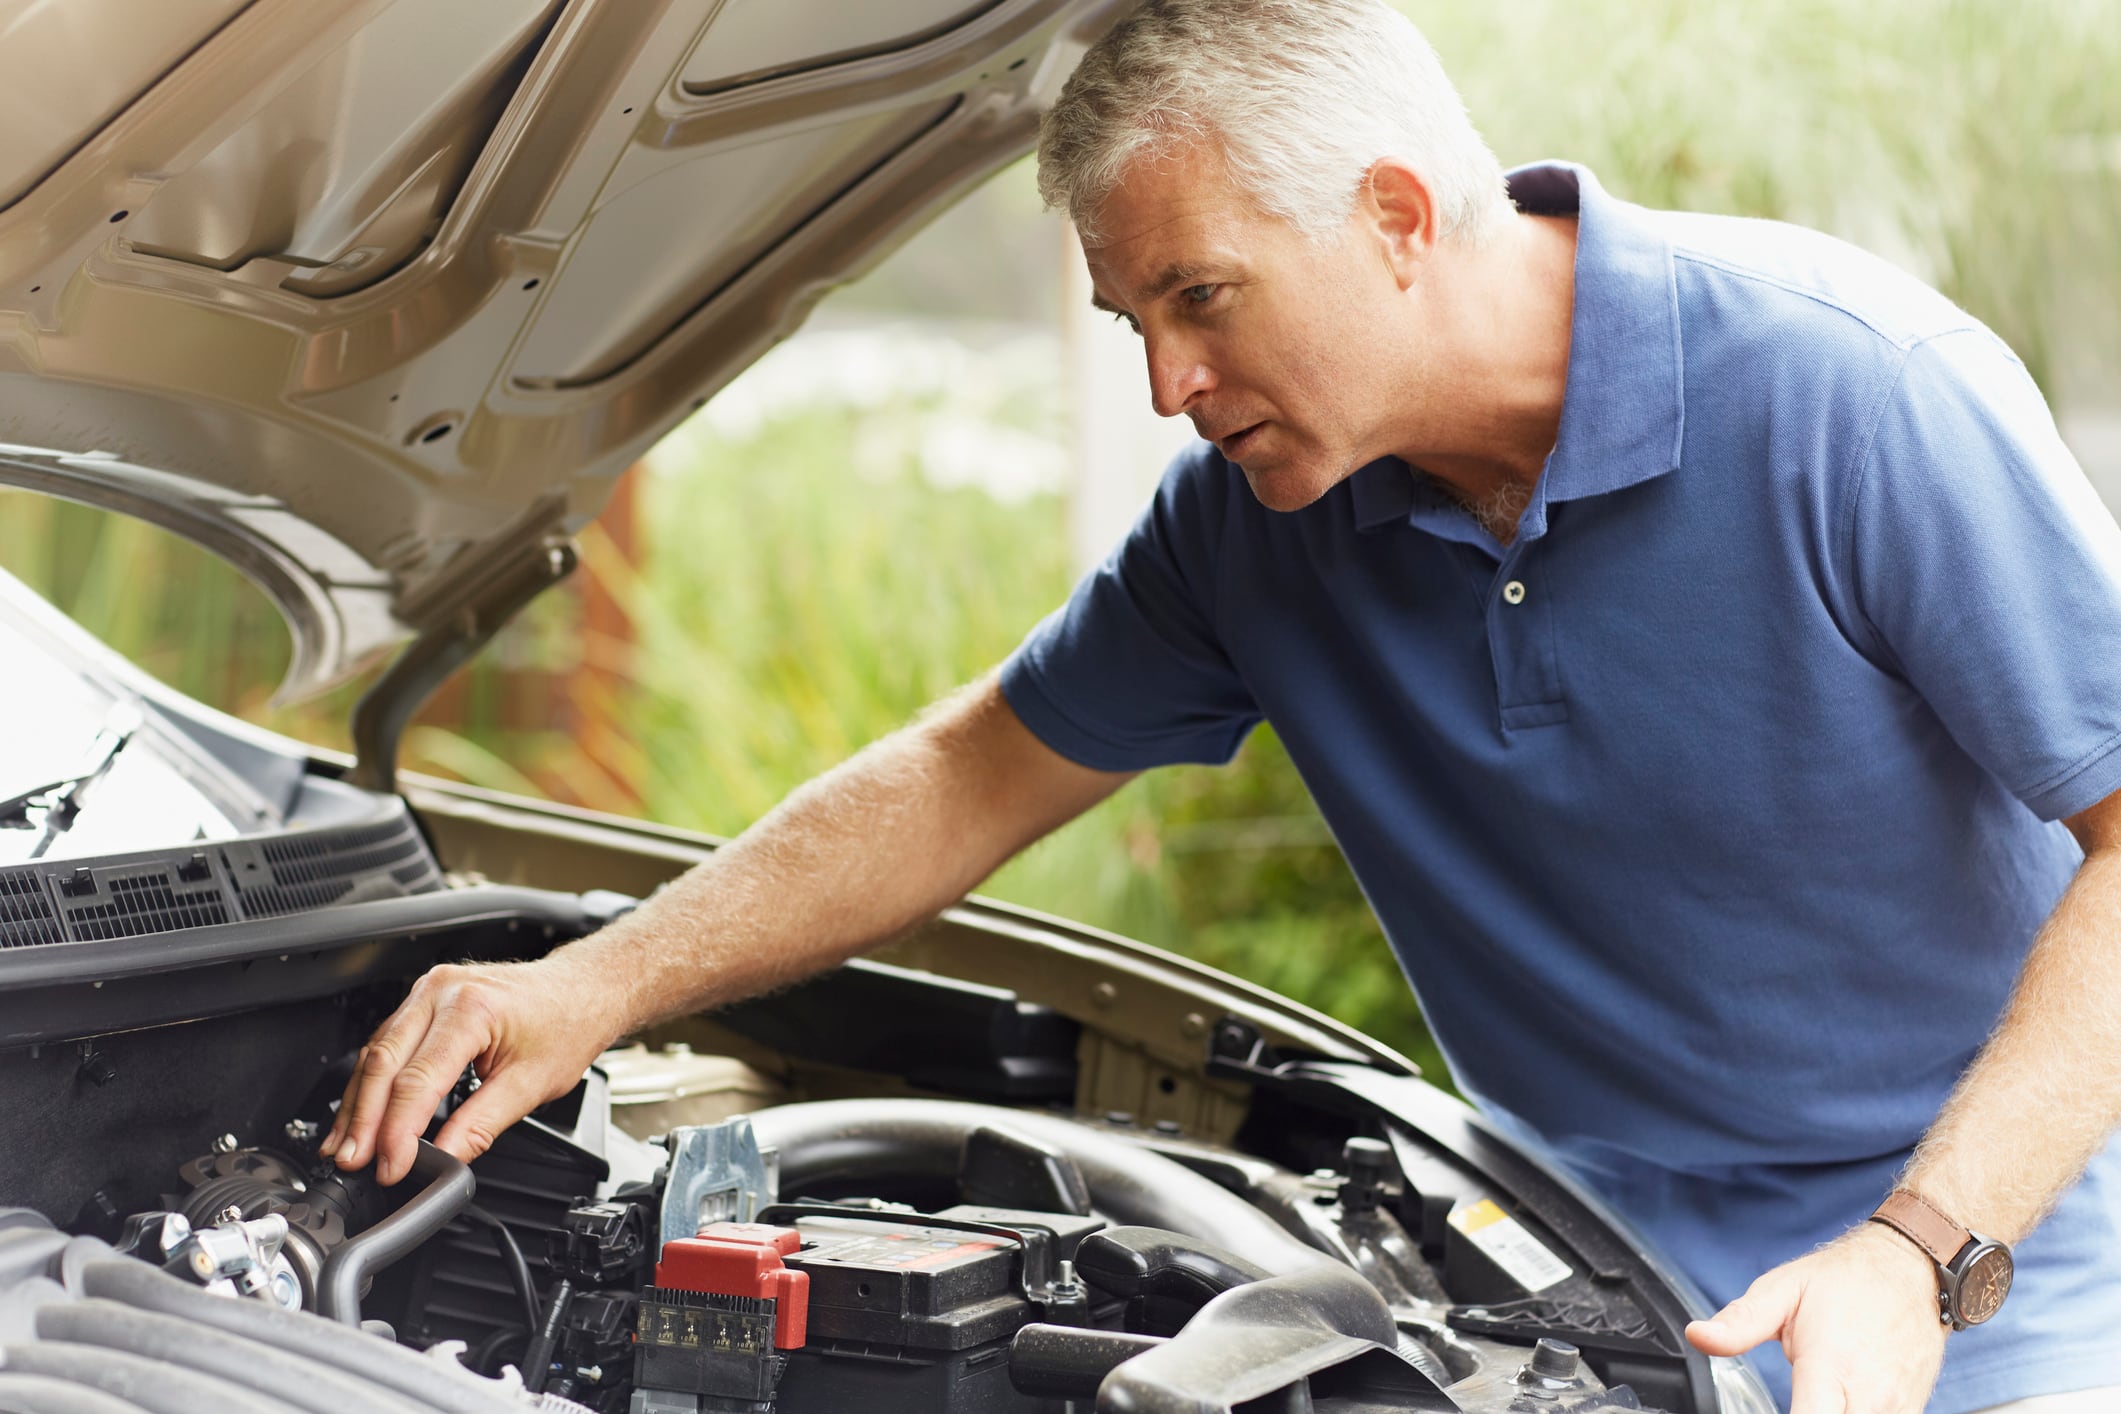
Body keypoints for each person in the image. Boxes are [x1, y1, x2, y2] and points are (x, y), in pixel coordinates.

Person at [320, 2, 2121, 1409]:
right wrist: (591, 981)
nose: (1175, 380)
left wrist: (1915, 1248)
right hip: (1586, 1268)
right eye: (1132, 325)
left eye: (1202, 296)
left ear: (1398, 218)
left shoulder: (1847, 397)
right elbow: (970, 770)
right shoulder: (1255, 525)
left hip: (2014, 1260)